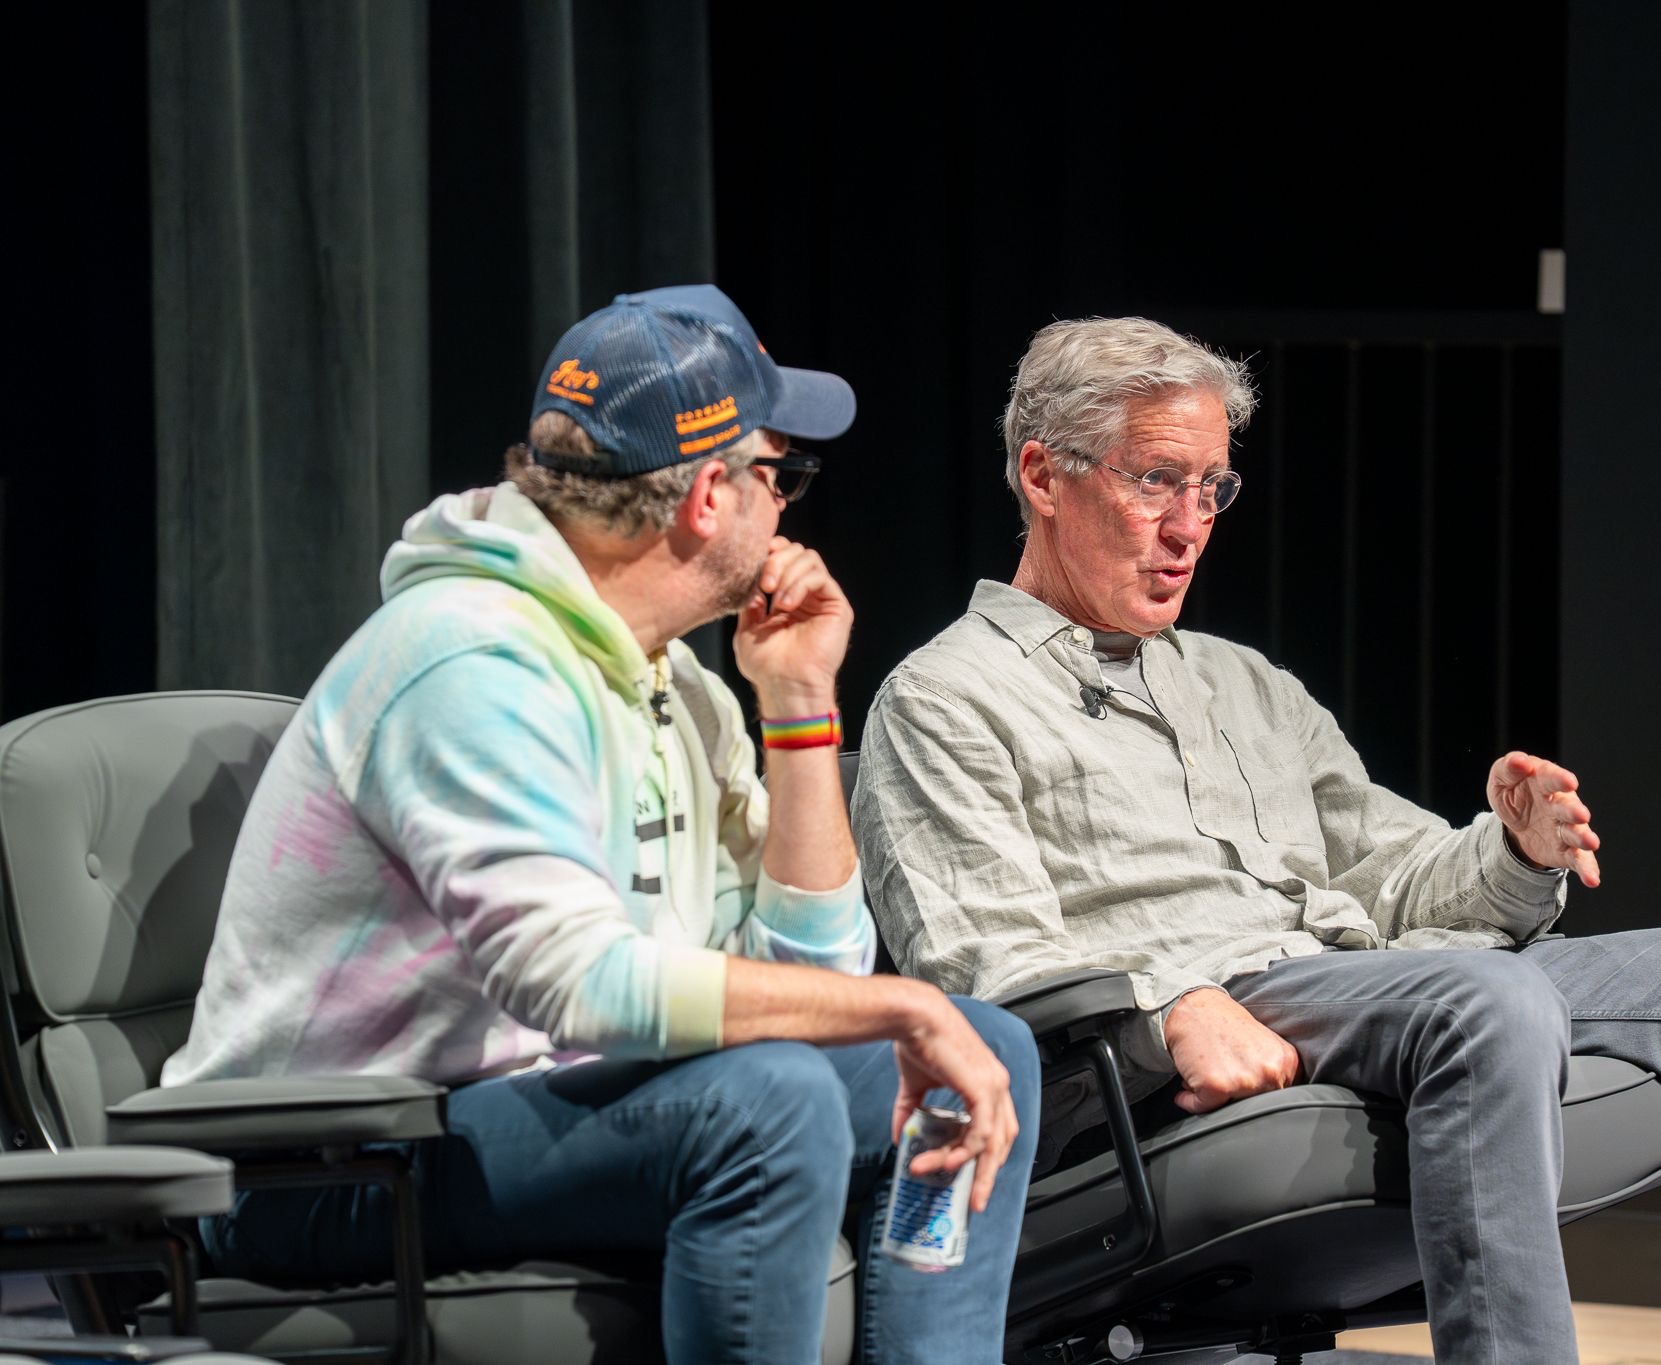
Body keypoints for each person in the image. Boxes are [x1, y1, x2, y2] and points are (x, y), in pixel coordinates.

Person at [852, 316, 1661, 1364]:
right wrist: (1165, 1011)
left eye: (1210, 489)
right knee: (1488, 1001)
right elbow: (985, 978)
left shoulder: (1239, 681)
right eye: (1153, 482)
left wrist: (1511, 853)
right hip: (1203, 1014)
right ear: (1043, 476)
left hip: (1373, 979)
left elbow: (1391, 871)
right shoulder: (946, 699)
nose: (1189, 527)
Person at [164, 286, 1039, 1365]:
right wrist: (893, 1006)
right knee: (764, 1102)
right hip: (320, 1161)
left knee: (976, 1053)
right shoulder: (468, 658)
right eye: (782, 475)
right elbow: (572, 982)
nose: (790, 512)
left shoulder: (681, 685)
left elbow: (811, 968)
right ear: (710, 496)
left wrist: (799, 710)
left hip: (540, 1110)